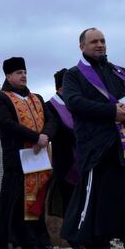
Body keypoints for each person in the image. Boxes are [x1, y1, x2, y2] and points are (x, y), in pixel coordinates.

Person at [60, 28, 125, 249]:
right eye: (94, 42)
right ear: (82, 46)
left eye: (102, 41)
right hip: (96, 144)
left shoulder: (118, 72)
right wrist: (112, 111)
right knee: (99, 195)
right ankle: (101, 244)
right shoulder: (74, 75)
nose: (100, 45)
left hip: (124, 142)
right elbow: (74, 103)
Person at [0, 57, 56, 249]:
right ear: (8, 76)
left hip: (39, 157)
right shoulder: (1, 99)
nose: (23, 75)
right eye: (18, 73)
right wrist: (35, 137)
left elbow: (51, 120)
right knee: (21, 203)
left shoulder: (36, 98)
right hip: (18, 159)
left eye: (24, 72)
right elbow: (7, 124)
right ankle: (28, 243)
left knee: (38, 200)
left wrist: (45, 136)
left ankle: (43, 241)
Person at [45, 68, 80, 220]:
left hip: (83, 160)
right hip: (66, 163)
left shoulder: (77, 104)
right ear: (61, 87)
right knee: (69, 203)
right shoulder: (49, 106)